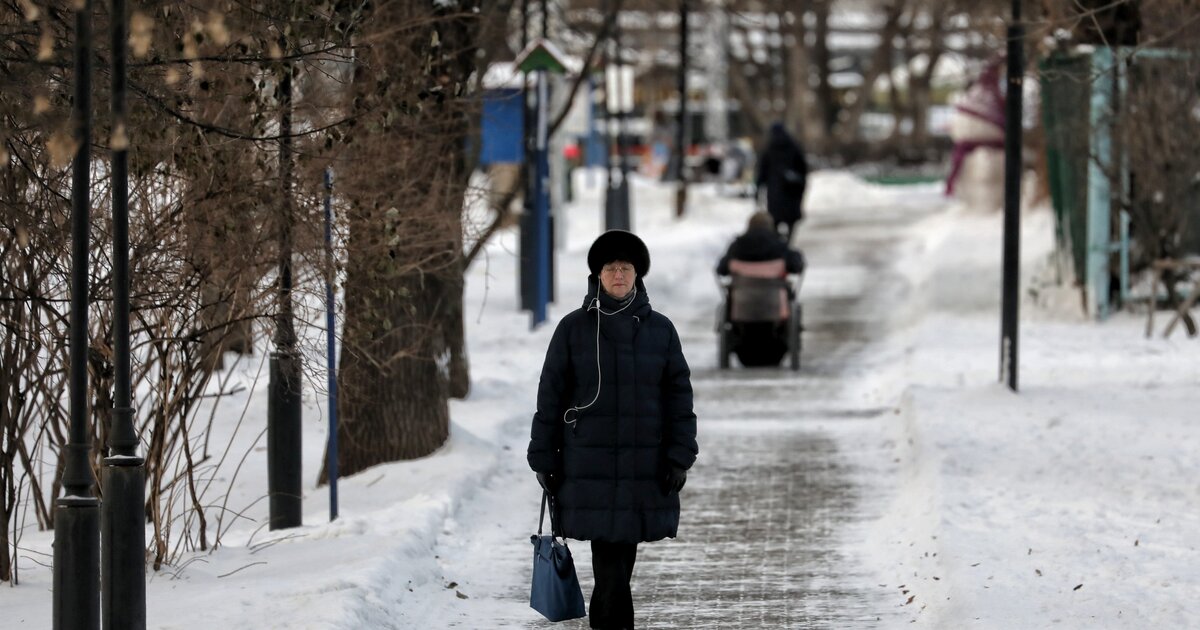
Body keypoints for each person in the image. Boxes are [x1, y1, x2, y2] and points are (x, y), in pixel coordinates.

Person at [528, 229, 699, 630]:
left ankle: (608, 620)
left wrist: (680, 455)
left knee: (621, 554)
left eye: (626, 267)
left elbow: (679, 397)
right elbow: (550, 395)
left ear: (637, 275)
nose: (618, 274)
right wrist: (543, 455)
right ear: (598, 275)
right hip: (589, 463)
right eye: (610, 267)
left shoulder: (661, 330)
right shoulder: (573, 330)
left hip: (644, 463)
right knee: (610, 556)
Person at [755, 122, 809, 242]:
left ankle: (778, 243)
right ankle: (788, 242)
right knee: (791, 221)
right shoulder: (794, 147)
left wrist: (758, 190)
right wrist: (801, 186)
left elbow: (761, 173)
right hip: (792, 192)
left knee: (775, 221)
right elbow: (803, 169)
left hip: (775, 192)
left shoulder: (769, 149)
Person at [717, 211, 806, 277]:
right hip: (773, 296)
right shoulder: (779, 246)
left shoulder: (736, 246)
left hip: (742, 297)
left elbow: (721, 270)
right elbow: (796, 266)